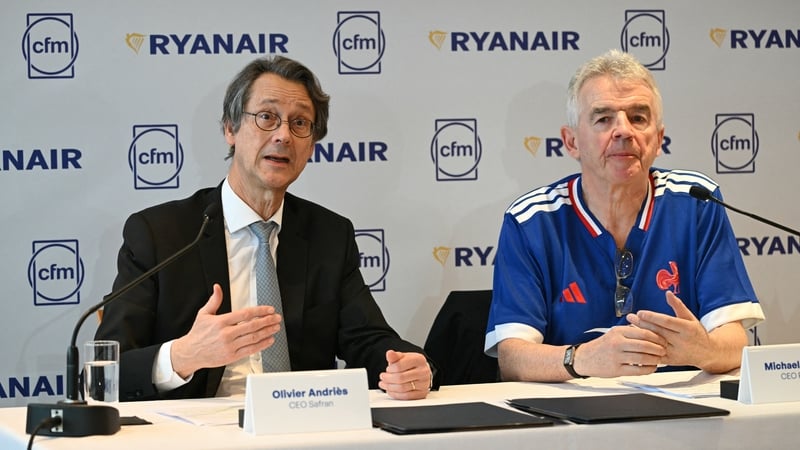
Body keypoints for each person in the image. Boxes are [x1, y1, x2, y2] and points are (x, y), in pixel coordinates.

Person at [95, 56, 437, 401]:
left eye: (300, 123)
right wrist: (184, 355)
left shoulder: (329, 235)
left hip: (301, 426)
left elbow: (367, 339)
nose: (284, 135)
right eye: (266, 117)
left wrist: (408, 366)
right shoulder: (161, 234)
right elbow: (106, 372)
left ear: (311, 146)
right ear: (230, 129)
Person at [484, 49, 765, 382]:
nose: (623, 131)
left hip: (683, 415)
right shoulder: (531, 220)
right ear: (571, 142)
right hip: (571, 419)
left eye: (638, 117)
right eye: (603, 119)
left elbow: (734, 344)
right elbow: (513, 358)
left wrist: (700, 349)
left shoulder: (696, 202)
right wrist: (585, 358)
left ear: (658, 139)